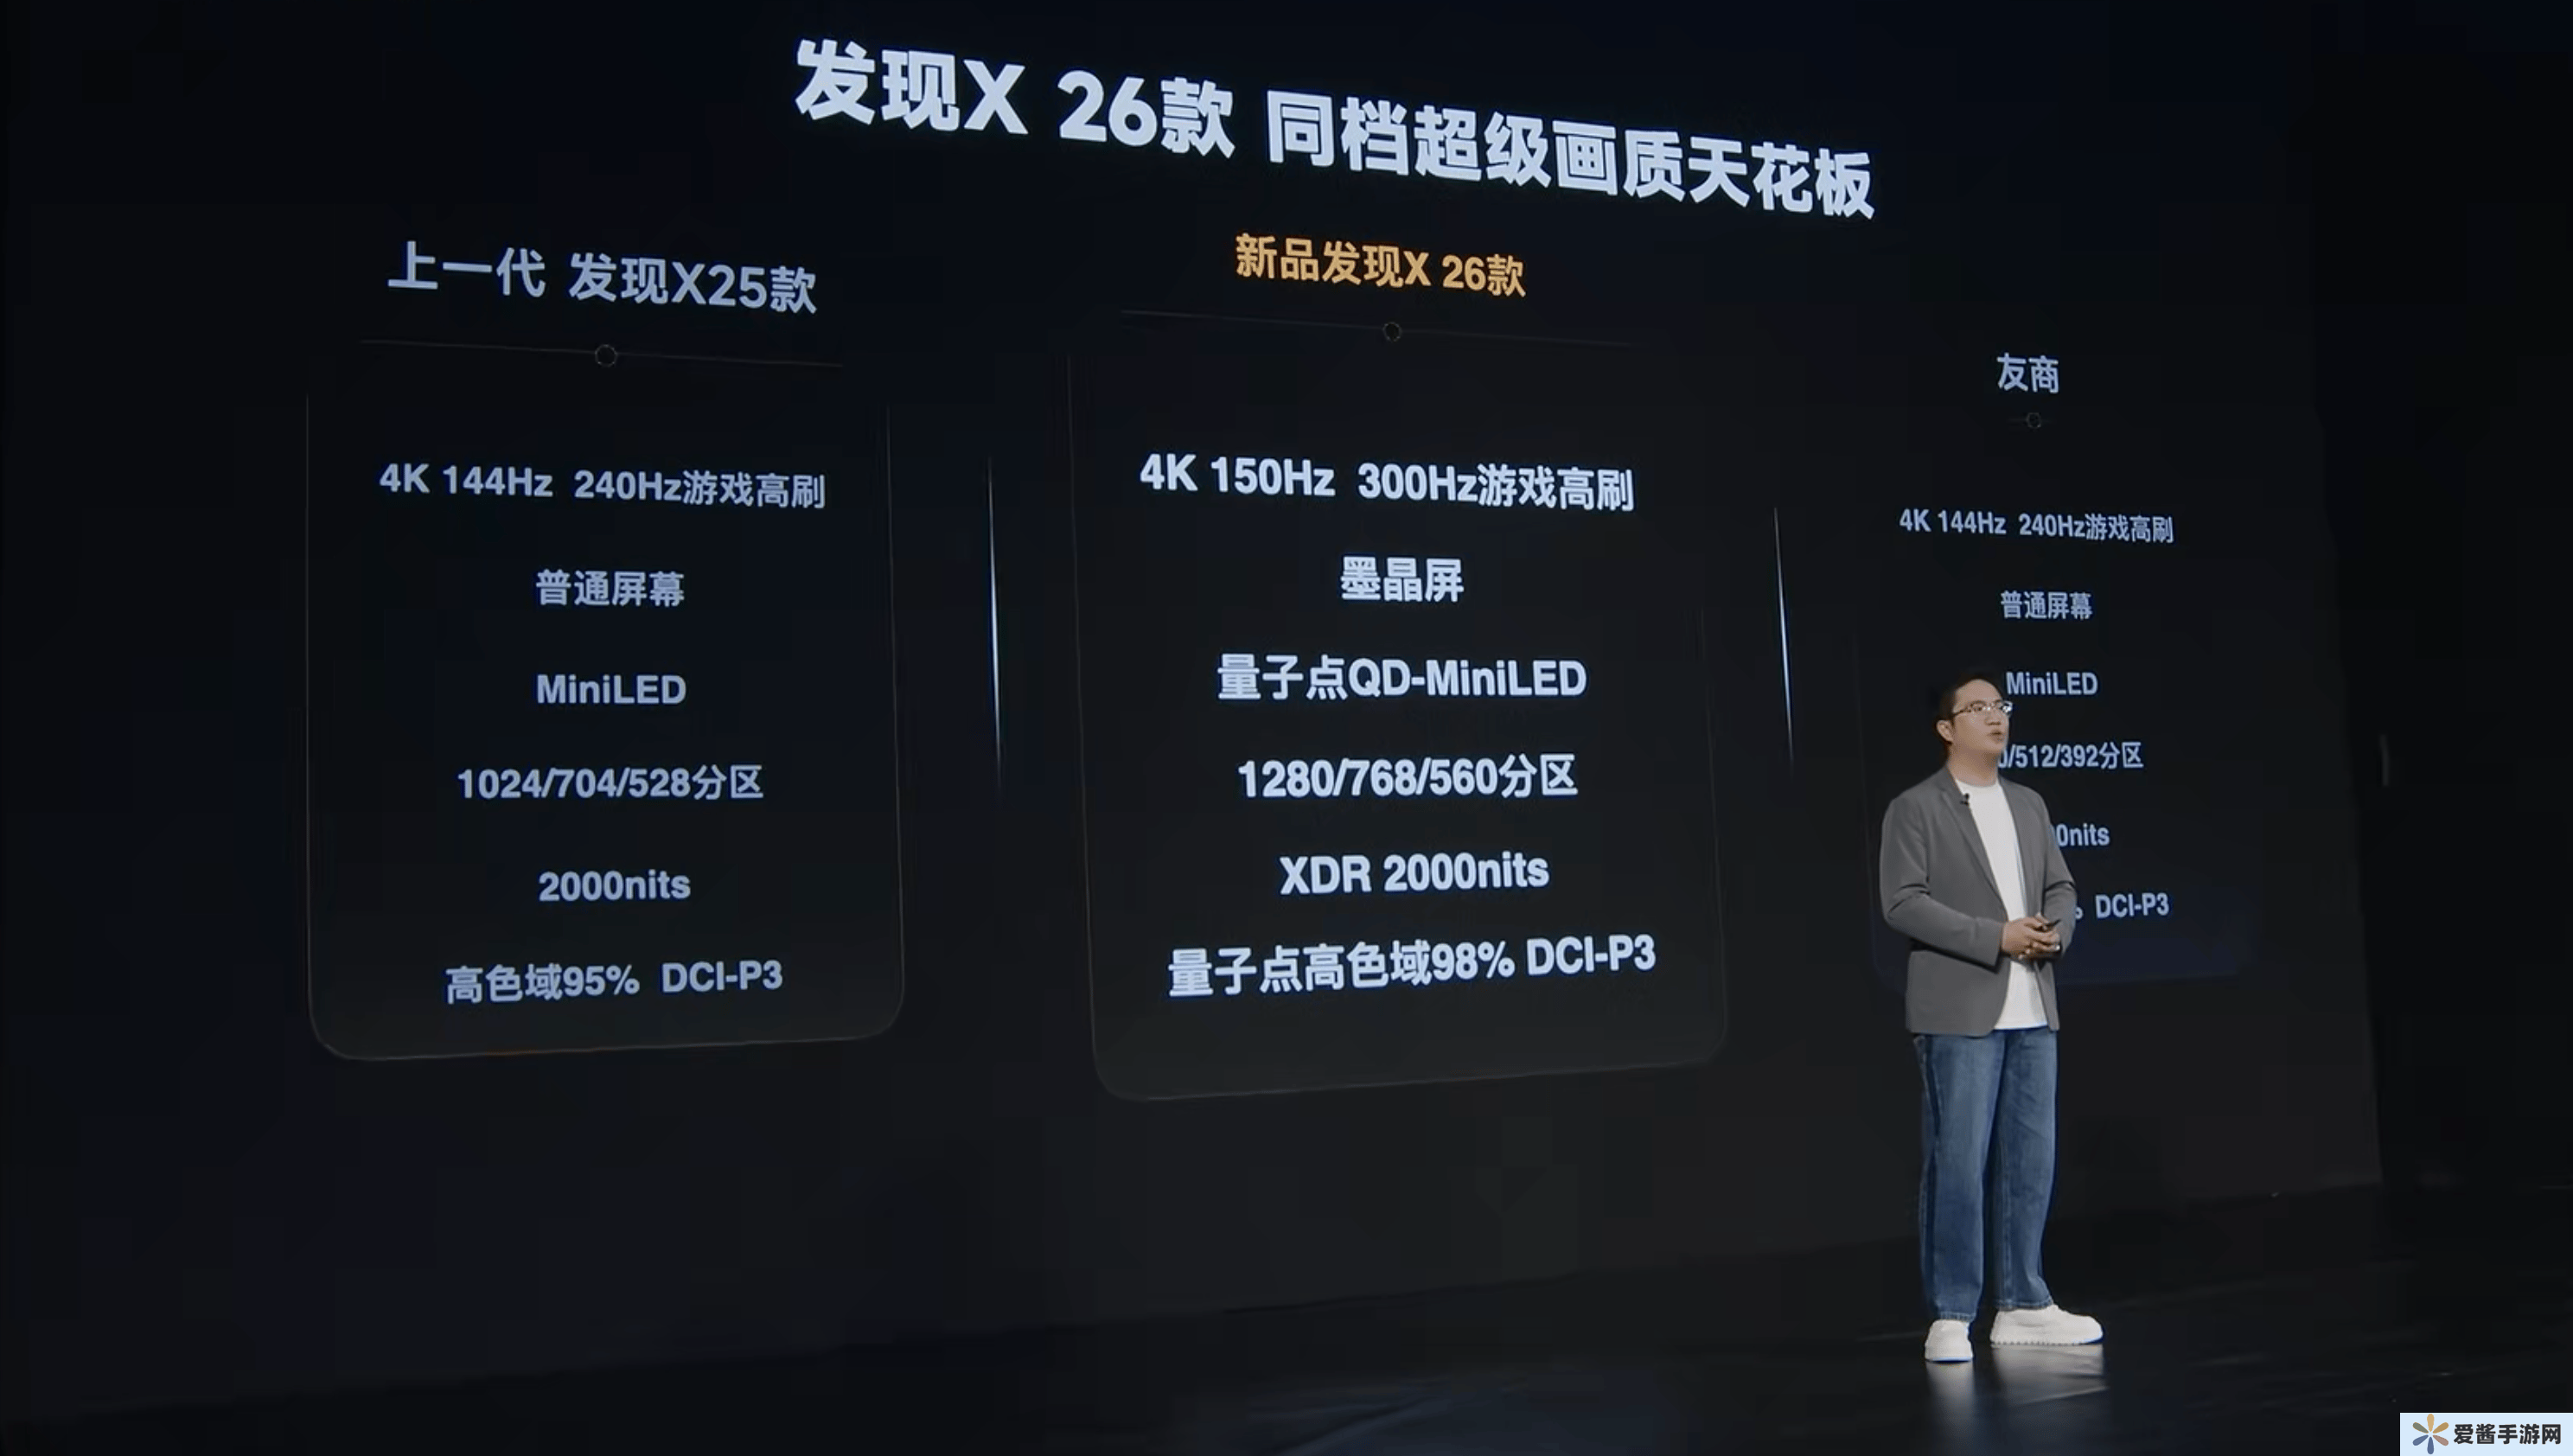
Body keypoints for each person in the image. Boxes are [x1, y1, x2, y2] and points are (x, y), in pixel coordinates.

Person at [1879, 668, 2104, 1363]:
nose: (1996, 716)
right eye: (1978, 708)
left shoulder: (2029, 804)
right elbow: (1902, 902)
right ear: (1947, 728)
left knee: (2030, 1161)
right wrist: (1996, 936)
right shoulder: (1915, 808)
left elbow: (2061, 885)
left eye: (2000, 705)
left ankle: (2023, 1302)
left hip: (2033, 1004)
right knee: (1958, 1161)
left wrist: (2054, 931)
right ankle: (1951, 1313)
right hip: (1959, 1009)